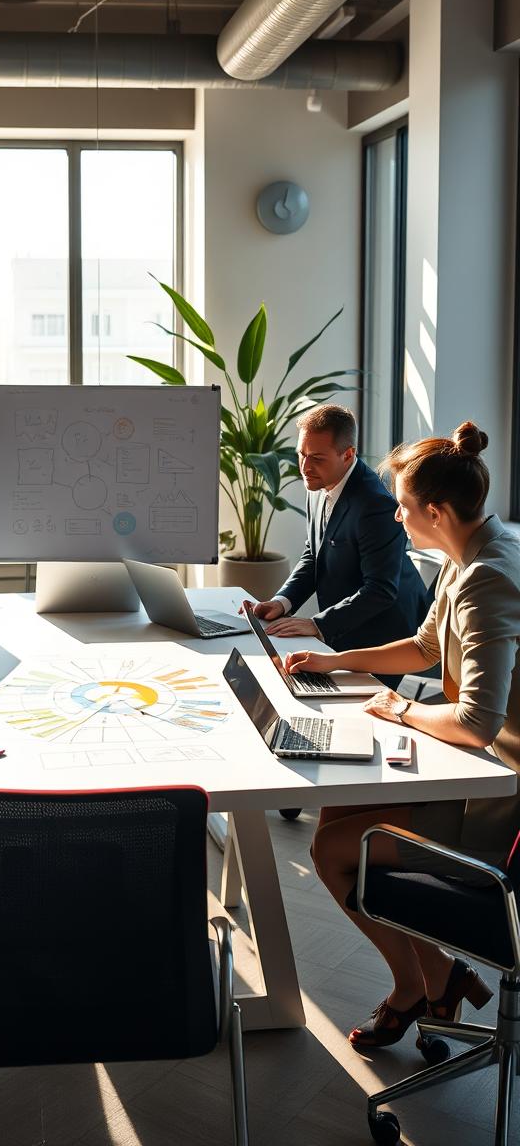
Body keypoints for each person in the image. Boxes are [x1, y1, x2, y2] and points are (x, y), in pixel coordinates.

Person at [285, 422, 520, 1050]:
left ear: (435, 511)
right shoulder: (471, 552)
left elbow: (477, 723)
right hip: (478, 771)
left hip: (501, 801)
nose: (396, 515)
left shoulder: (486, 581)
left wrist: (399, 712)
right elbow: (422, 647)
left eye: (404, 506)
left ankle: (414, 988)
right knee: (338, 808)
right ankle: (439, 980)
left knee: (335, 850)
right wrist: (336, 660)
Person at [245, 405, 429, 655]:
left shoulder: (376, 505)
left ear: (348, 454)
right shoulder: (319, 482)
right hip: (345, 626)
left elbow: (380, 590)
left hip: (385, 634)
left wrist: (316, 624)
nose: (305, 467)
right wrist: (282, 602)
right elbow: (314, 554)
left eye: (317, 458)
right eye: (301, 454)